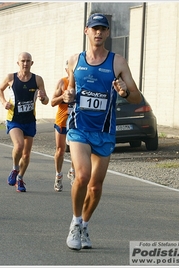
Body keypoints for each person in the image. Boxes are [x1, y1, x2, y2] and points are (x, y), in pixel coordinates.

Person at [63, 13, 142, 250]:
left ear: (108, 33)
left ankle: (85, 226)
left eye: (103, 29)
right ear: (86, 30)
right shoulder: (74, 60)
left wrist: (124, 92)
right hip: (79, 128)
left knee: (96, 187)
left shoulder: (117, 62)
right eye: (94, 28)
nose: (98, 33)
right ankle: (75, 223)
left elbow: (136, 96)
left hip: (105, 131)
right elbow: (70, 90)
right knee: (83, 176)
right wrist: (68, 95)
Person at [0, 52, 49, 193]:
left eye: (28, 61)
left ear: (32, 63)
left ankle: (20, 178)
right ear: (18, 63)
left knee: (26, 155)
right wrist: (3, 102)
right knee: (19, 145)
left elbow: (46, 101)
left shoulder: (37, 80)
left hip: (29, 120)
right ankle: (15, 169)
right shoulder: (11, 78)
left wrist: (43, 98)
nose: (25, 63)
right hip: (14, 119)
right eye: (23, 61)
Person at [50, 60, 75, 192]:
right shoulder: (62, 82)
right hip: (62, 120)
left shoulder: (82, 83)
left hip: (76, 121)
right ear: (66, 71)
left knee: (75, 151)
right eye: (70, 70)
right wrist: (62, 96)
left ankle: (72, 171)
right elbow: (52, 102)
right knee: (60, 150)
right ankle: (58, 175)